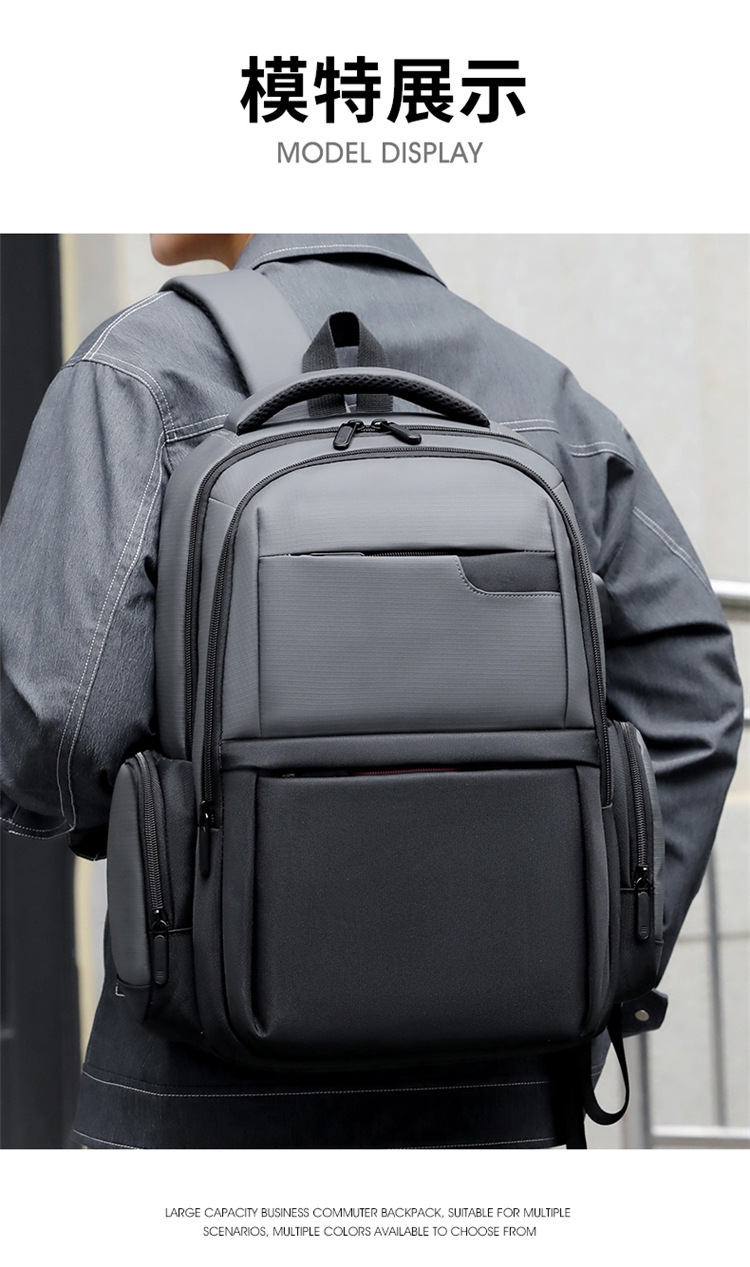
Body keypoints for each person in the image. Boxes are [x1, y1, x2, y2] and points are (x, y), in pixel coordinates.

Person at [0, 234, 743, 1149]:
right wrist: (589, 947)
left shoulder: (139, 370)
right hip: (501, 1096)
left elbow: (61, 727)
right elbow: (694, 688)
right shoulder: (542, 390)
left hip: (205, 1093)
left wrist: (179, 856)